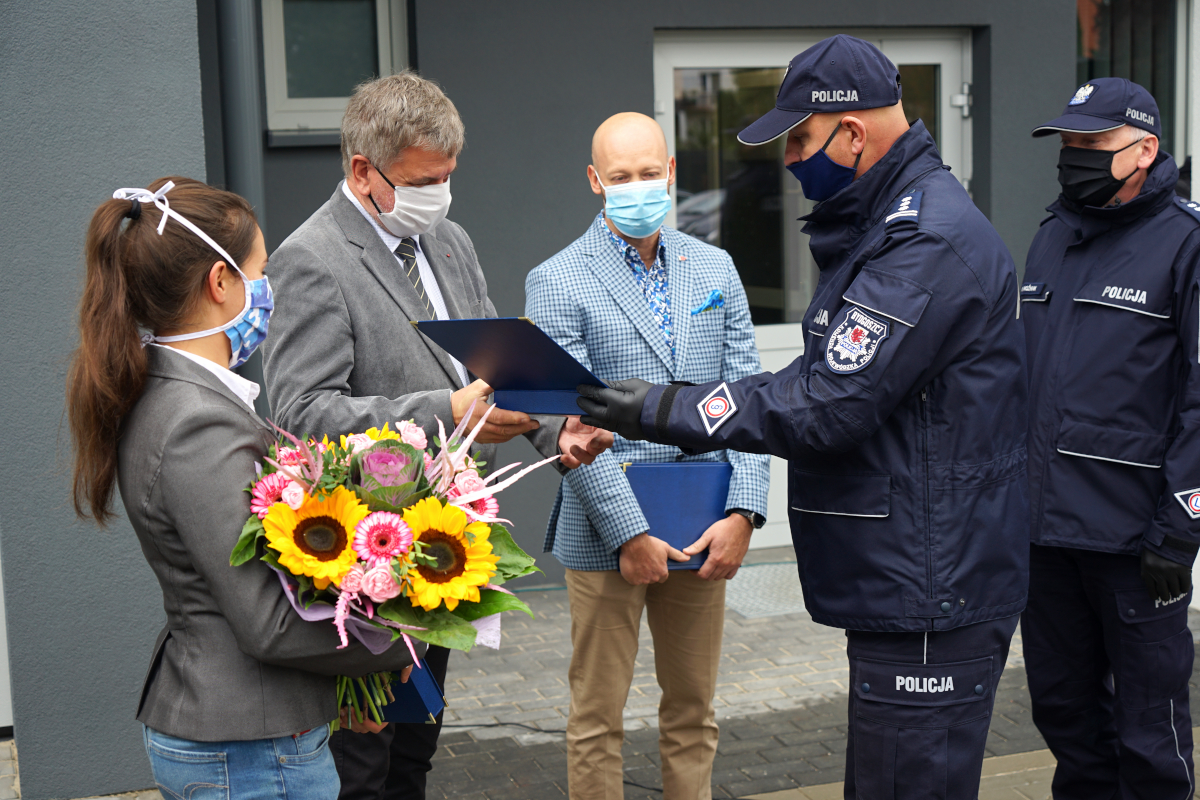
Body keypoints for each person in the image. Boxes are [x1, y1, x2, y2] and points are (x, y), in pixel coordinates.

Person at [575, 35, 1029, 799]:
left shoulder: (924, 243)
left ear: (852, 133)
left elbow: (825, 405)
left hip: (931, 587)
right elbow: (819, 381)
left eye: (800, 140)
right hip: (913, 579)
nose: (787, 161)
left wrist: (658, 406)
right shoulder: (887, 228)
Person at [261, 72, 611, 800]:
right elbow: (302, 413)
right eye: (424, 181)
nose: (441, 194)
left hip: (441, 548)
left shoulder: (447, 240)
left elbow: (491, 368)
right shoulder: (312, 258)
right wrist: (445, 410)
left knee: (415, 754)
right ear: (364, 170)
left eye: (449, 176)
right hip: (364, 562)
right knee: (364, 770)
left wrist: (557, 429)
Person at [66, 177, 419, 799]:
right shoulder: (196, 421)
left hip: (242, 727)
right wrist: (402, 638)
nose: (268, 288)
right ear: (219, 282)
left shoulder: (174, 394)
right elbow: (269, 622)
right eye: (261, 271)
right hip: (248, 744)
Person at [524, 112, 770, 800]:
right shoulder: (558, 280)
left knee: (694, 711)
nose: (638, 187)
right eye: (621, 176)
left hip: (703, 522)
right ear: (595, 180)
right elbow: (569, 421)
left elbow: (749, 395)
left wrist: (745, 513)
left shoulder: (714, 267)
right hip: (606, 527)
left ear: (671, 172)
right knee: (597, 718)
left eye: (649, 173)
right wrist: (629, 533)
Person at [1019, 77, 1200, 798]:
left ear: (1144, 150)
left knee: (1149, 732)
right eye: (1068, 142)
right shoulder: (1053, 236)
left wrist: (1180, 528)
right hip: (1044, 538)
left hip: (1134, 543)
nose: (1074, 156)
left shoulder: (1187, 244)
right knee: (1065, 717)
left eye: (1092, 143)